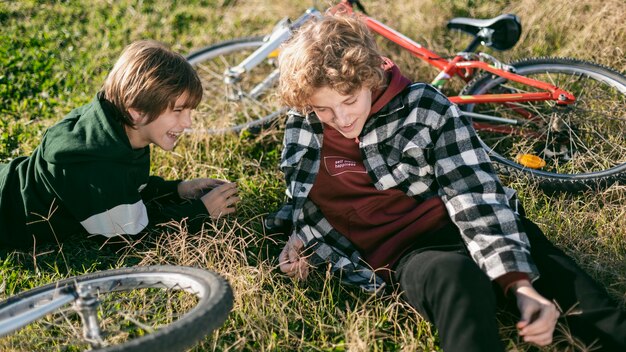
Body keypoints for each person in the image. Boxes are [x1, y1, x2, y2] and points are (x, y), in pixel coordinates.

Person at [266, 15, 626, 351]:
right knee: (457, 281)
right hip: (412, 255)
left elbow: (473, 191)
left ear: (370, 79)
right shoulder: (302, 124)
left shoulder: (424, 107)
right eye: (323, 109)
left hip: (464, 221)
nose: (341, 119)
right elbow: (303, 194)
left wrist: (518, 283)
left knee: (594, 314)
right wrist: (301, 235)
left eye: (349, 100)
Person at [0, 40, 240, 249]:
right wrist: (200, 212)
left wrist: (178, 190)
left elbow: (129, 189)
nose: (188, 122)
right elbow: (131, 238)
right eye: (178, 110)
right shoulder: (96, 166)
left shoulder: (118, 128)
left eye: (189, 111)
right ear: (136, 111)